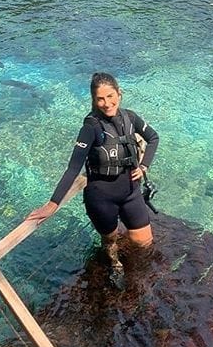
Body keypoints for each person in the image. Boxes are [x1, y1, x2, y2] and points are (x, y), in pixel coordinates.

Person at [28, 72, 159, 276]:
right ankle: (115, 266)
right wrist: (52, 204)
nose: (106, 103)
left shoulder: (130, 117)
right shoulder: (90, 128)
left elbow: (153, 138)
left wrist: (143, 167)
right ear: (94, 100)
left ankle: (140, 278)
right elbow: (73, 168)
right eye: (100, 98)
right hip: (102, 198)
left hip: (131, 192)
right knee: (110, 241)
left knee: (145, 243)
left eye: (110, 96)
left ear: (119, 93)